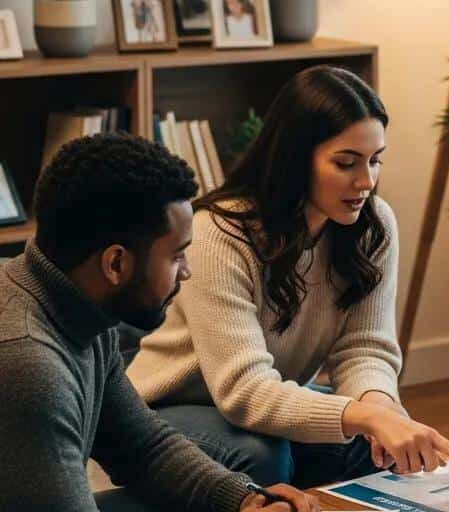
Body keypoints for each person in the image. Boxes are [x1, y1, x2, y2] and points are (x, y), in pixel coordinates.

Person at [127, 65, 449, 488]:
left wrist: (380, 407)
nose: (366, 181)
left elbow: (365, 348)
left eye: (375, 160)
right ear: (295, 158)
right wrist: (364, 416)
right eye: (346, 163)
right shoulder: (219, 233)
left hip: (260, 399)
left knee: (373, 445)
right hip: (168, 407)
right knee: (262, 456)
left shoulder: (374, 225)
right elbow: (243, 391)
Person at [0, 133, 315, 511]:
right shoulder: (31, 366)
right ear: (115, 263)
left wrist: (245, 501)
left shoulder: (79, 306)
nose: (187, 272)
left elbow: (141, 445)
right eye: (177, 256)